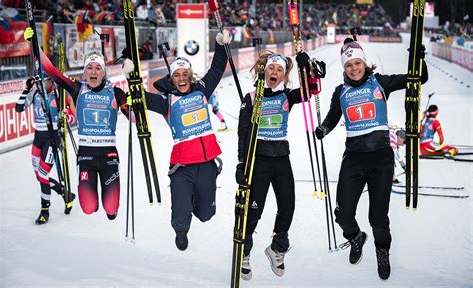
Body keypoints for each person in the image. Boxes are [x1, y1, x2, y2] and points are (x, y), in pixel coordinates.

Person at [315, 38, 428, 281]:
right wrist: (323, 128)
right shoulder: (340, 91)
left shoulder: (380, 82)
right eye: (348, 65)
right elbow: (333, 117)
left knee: (377, 217)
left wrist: (419, 57)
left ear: (365, 64)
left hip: (380, 158)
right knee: (343, 214)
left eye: (357, 63)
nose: (353, 68)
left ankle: (382, 251)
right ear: (344, 68)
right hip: (354, 158)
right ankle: (356, 237)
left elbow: (419, 79)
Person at [123, 29, 232, 251]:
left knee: (206, 215)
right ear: (171, 79)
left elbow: (217, 68)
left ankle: (194, 201)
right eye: (177, 75)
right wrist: (130, 75)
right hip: (182, 166)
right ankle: (180, 229)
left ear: (190, 76)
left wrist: (221, 44)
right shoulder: (167, 101)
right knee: (181, 217)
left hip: (207, 164)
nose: (181, 78)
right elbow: (140, 97)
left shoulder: (202, 90)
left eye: (185, 74)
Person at [26, 24, 132, 220]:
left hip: (109, 155)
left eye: (98, 68)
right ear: (84, 72)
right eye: (89, 68)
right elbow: (50, 69)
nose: (93, 72)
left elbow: (134, 119)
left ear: (104, 72)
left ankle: (112, 208)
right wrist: (33, 45)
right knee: (89, 208)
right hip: (86, 156)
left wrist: (133, 99)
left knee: (110, 209)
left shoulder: (115, 92)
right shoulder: (77, 88)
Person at [235, 51, 311, 280]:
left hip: (281, 157)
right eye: (271, 69)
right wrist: (241, 162)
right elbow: (243, 133)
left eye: (279, 70)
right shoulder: (250, 98)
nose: (274, 73)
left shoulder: (287, 96)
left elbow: (310, 92)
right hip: (258, 159)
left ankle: (277, 248)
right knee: (254, 210)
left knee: (288, 205)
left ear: (284, 75)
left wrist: (305, 68)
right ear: (264, 71)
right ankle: (244, 252)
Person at [15, 76, 76, 224]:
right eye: (37, 82)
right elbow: (19, 108)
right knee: (39, 176)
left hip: (52, 138)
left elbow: (74, 118)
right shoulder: (35, 93)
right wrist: (27, 89)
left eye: (43, 81)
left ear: (51, 81)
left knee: (43, 174)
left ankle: (44, 211)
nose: (39, 84)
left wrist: (65, 116)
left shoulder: (58, 94)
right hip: (38, 138)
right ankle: (63, 192)